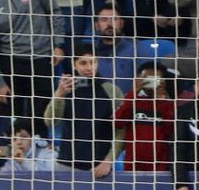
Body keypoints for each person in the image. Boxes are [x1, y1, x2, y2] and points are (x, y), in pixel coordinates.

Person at [43, 43, 125, 177]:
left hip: (98, 168)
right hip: (65, 165)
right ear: (74, 64)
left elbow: (121, 130)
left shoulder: (111, 91)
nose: (89, 68)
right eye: (83, 63)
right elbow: (50, 121)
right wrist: (58, 95)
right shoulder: (66, 89)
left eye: (93, 62)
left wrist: (109, 160)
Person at [113, 63, 176, 171]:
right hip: (133, 164)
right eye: (147, 79)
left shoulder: (168, 105)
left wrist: (162, 103)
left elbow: (171, 132)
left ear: (163, 82)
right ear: (140, 80)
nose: (151, 83)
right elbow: (117, 122)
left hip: (160, 165)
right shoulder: (132, 101)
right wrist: (133, 93)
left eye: (155, 79)